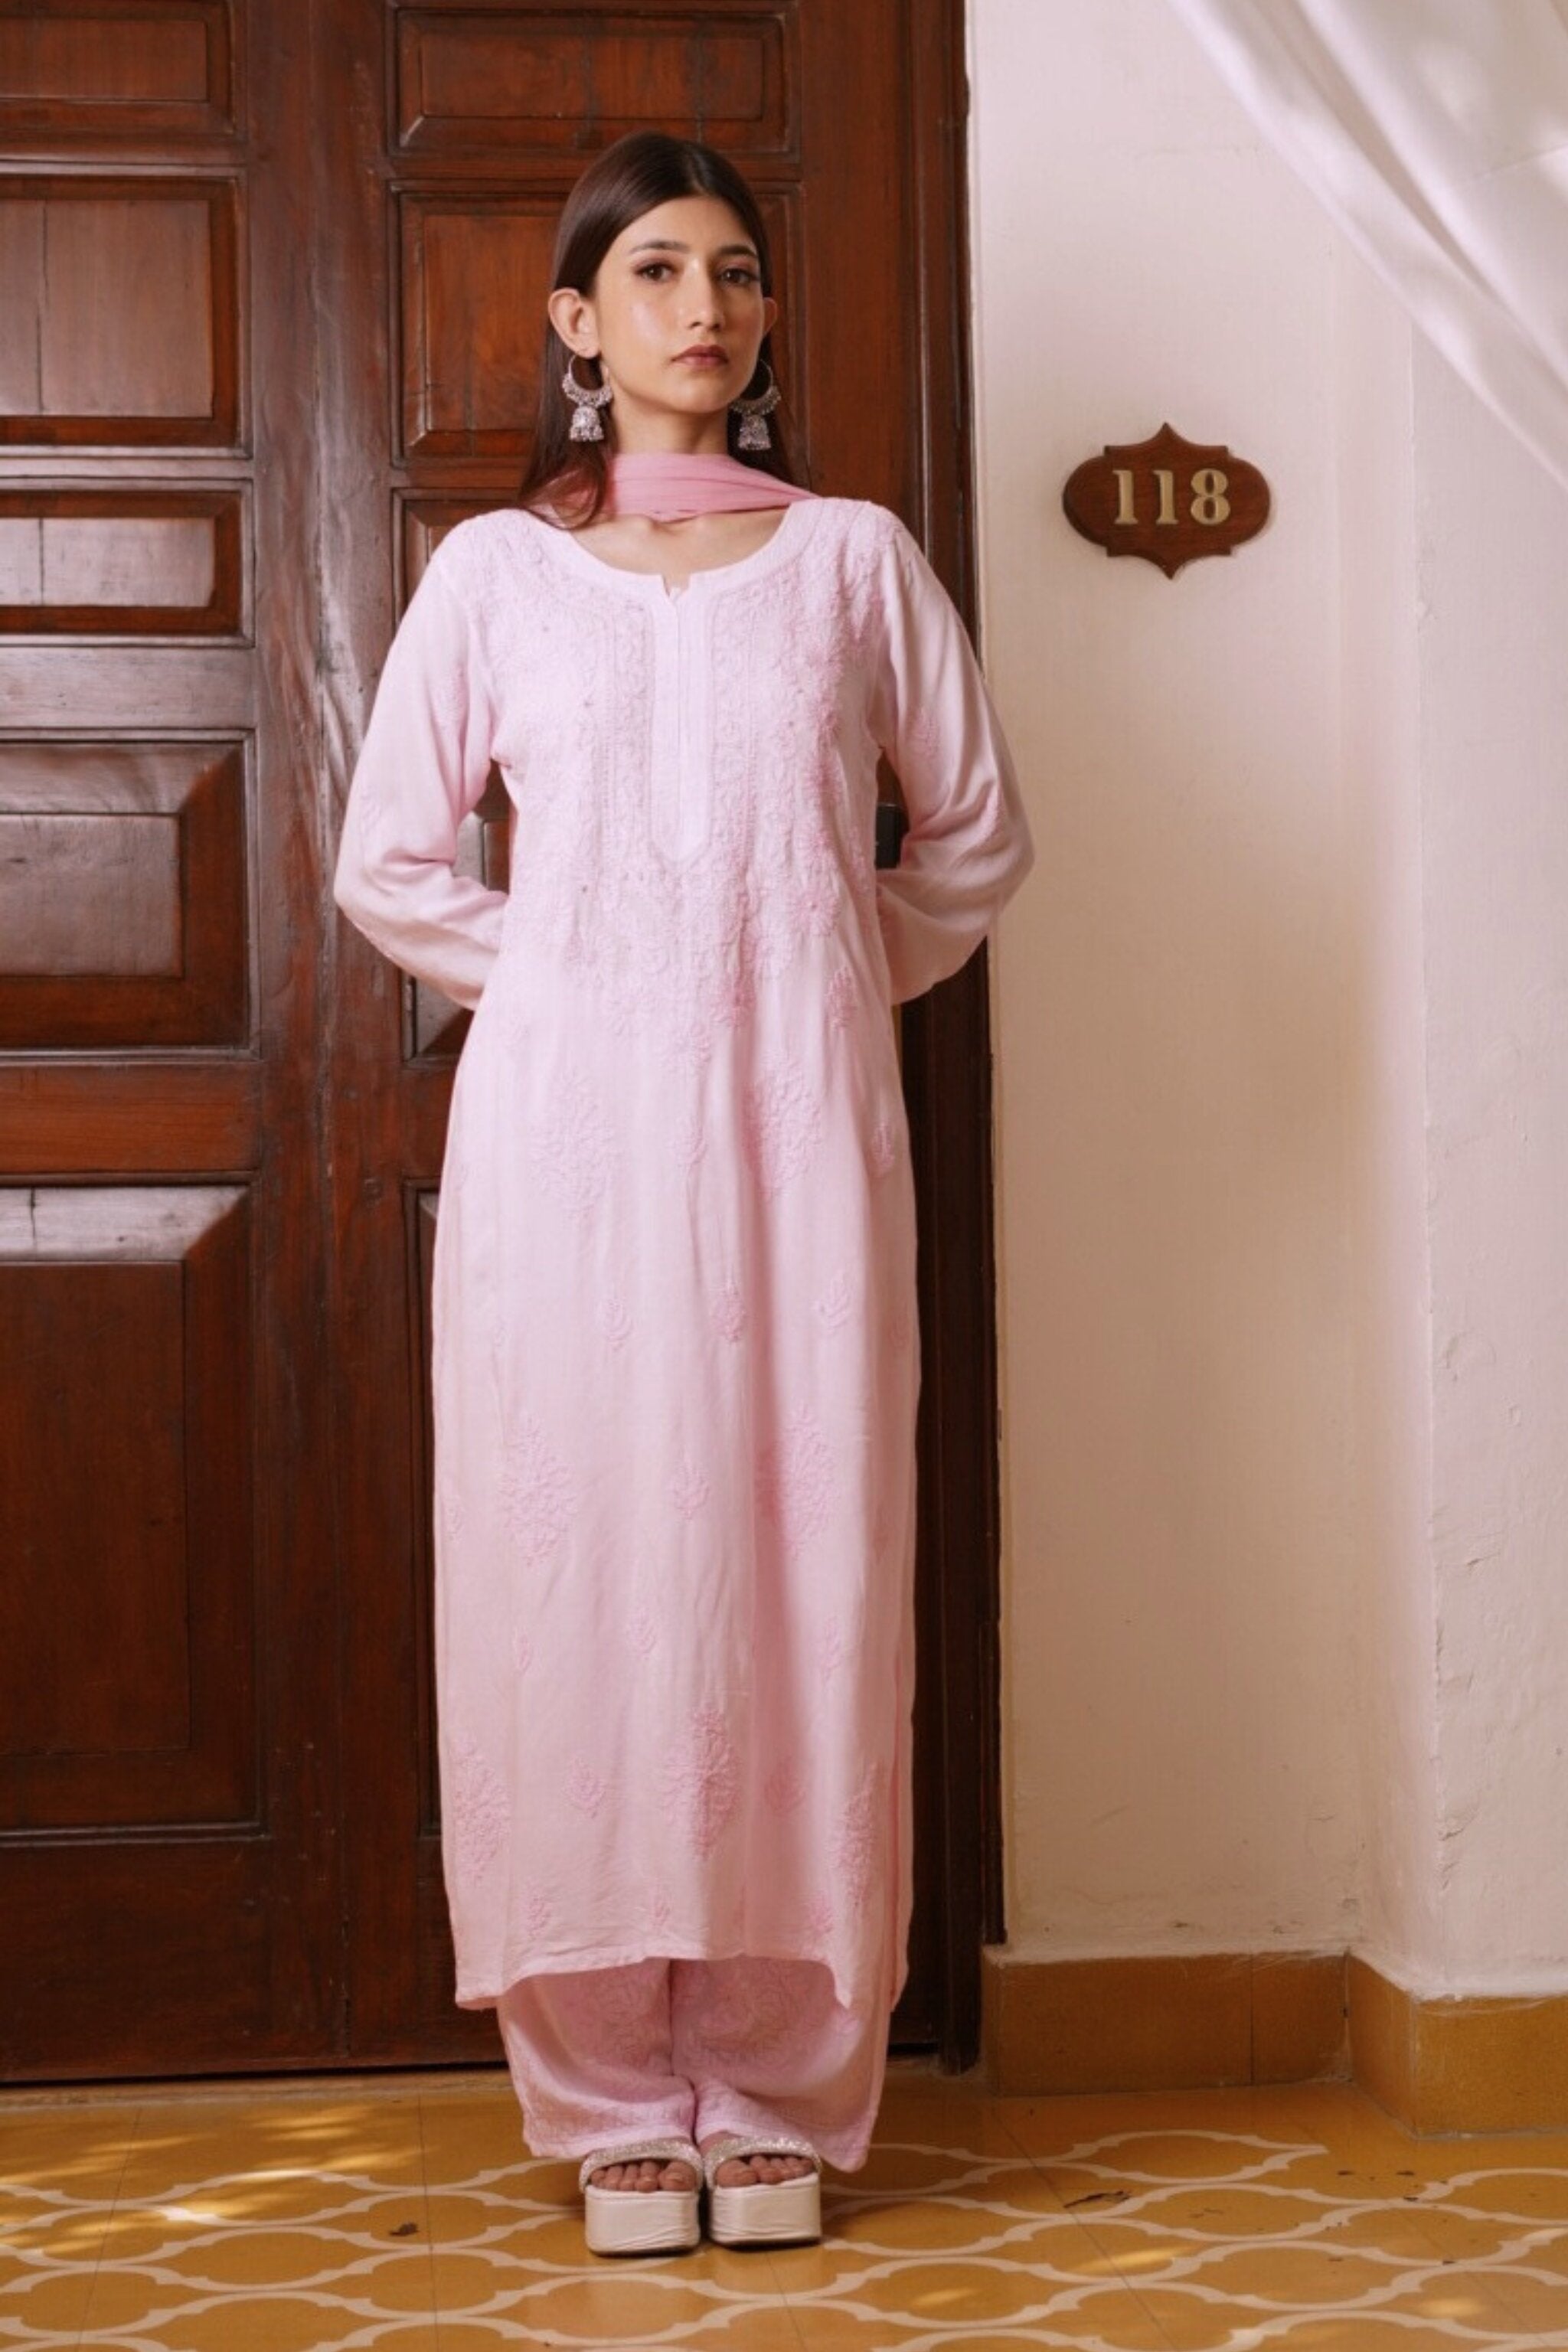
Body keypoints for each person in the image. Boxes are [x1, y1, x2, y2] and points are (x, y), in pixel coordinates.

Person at [332, 129, 1034, 2259]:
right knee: (583, 1583)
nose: (704, 309)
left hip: (805, 1145)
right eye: (653, 271)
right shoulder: (491, 580)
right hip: (565, 1160)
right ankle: (608, 2082)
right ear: (576, 324)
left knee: (804, 1564)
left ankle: (785, 2084)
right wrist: (581, 980)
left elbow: (973, 846)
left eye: (734, 270)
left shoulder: (853, 563)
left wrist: (803, 977)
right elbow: (390, 863)